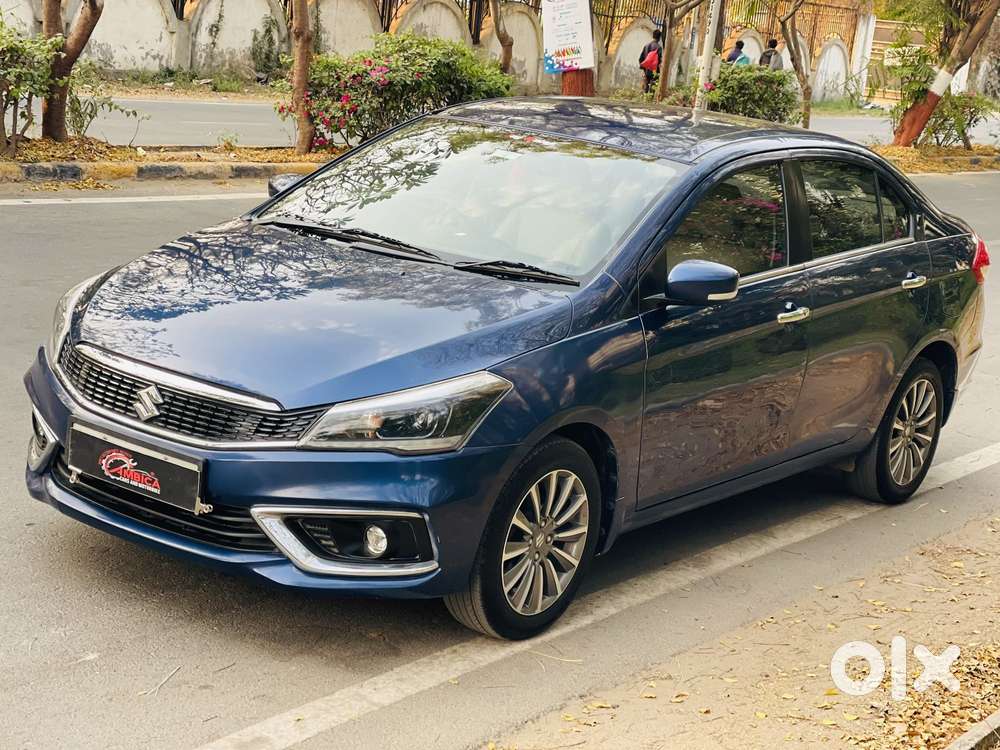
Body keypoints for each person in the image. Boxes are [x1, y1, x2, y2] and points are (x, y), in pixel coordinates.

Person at [639, 29, 663, 94]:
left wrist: (644, 69)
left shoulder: (646, 46)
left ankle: (644, 100)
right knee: (652, 89)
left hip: (646, 70)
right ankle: (650, 100)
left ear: (653, 36)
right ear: (659, 38)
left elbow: (641, 59)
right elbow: (659, 61)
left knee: (645, 89)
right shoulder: (659, 48)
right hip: (654, 71)